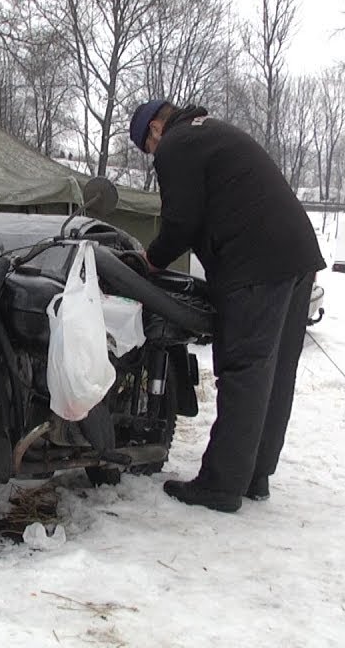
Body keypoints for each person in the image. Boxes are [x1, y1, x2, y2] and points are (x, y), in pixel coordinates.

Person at [129, 99, 326, 513]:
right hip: (297, 254)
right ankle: (254, 475)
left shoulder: (176, 144)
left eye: (147, 151)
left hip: (255, 262)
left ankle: (221, 485)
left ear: (154, 131)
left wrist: (152, 260)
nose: (153, 158)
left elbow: (181, 221)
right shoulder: (210, 131)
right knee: (274, 371)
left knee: (244, 370)